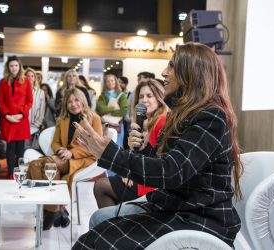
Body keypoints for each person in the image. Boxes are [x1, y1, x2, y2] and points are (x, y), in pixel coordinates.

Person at [73, 43, 243, 249]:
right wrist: (146, 149)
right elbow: (172, 164)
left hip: (200, 219)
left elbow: (171, 172)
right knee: (99, 225)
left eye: (172, 66)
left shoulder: (211, 117)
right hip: (174, 207)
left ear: (191, 72)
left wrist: (109, 153)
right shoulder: (184, 114)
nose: (164, 72)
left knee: (90, 242)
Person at [91, 79, 168, 226]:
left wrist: (131, 172)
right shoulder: (145, 120)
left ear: (159, 97)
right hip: (141, 175)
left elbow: (157, 161)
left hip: (150, 185)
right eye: (141, 96)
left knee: (101, 187)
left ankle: (115, 230)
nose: (144, 100)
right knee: (101, 186)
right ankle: (119, 229)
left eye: (149, 96)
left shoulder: (161, 121)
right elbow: (137, 154)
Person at [27, 88, 102, 230]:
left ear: (83, 101)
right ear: (66, 105)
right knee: (35, 165)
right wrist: (59, 150)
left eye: (76, 100)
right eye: (70, 102)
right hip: (62, 157)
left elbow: (96, 145)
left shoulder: (94, 119)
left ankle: (49, 214)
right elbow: (55, 142)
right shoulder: (62, 120)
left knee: (48, 164)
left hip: (83, 158)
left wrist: (72, 153)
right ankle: (56, 210)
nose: (73, 104)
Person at [0, 56, 33, 178]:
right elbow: (1, 101)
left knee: (19, 149)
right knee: (10, 149)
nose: (13, 68)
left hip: (21, 120)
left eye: (16, 65)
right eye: (11, 66)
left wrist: (21, 114)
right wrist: (7, 115)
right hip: (8, 120)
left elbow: (29, 101)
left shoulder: (26, 81)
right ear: (8, 67)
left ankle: (19, 173)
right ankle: (10, 174)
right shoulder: (3, 82)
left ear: (20, 67)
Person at [96, 74, 128, 147]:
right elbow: (100, 109)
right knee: (105, 147)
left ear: (115, 82)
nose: (110, 82)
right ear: (105, 83)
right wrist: (114, 108)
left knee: (117, 146)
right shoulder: (102, 96)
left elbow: (124, 111)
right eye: (108, 81)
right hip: (105, 125)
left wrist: (107, 110)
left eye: (112, 80)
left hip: (118, 125)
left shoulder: (122, 96)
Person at [24, 67, 46, 149]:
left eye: (32, 76)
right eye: (28, 76)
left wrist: (37, 124)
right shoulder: (21, 91)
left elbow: (42, 110)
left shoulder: (40, 92)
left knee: (32, 149)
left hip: (34, 126)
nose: (30, 78)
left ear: (34, 78)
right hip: (22, 125)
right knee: (22, 149)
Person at [118, 76, 131, 150]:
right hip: (117, 120)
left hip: (126, 120)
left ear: (125, 84)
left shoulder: (130, 94)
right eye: (118, 82)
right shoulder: (116, 94)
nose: (119, 84)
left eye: (121, 82)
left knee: (126, 138)